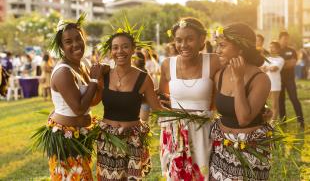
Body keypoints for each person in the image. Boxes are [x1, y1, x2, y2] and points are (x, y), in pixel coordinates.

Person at [32, 14, 107, 180]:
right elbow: (79, 108)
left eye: (78, 38)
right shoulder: (63, 72)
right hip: (65, 139)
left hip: (81, 136)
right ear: (61, 47)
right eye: (68, 41)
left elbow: (91, 101)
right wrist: (94, 79)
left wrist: (100, 81)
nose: (75, 44)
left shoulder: (83, 64)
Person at [96, 22, 164, 180]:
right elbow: (92, 102)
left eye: (125, 46)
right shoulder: (104, 75)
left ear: (133, 49)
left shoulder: (143, 78)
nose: (120, 51)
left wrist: (183, 109)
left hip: (133, 140)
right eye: (115, 47)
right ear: (111, 51)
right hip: (108, 139)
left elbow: (157, 109)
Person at [159, 17, 220, 180]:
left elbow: (228, 90)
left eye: (189, 39)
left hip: (203, 131)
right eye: (178, 40)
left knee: (203, 175)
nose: (183, 45)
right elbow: (162, 100)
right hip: (176, 133)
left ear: (202, 40)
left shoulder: (213, 61)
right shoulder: (167, 64)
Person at [210, 23, 272, 180]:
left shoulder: (260, 79)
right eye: (217, 45)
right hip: (221, 150)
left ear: (240, 49)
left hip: (249, 152)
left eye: (222, 45)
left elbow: (243, 119)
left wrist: (238, 80)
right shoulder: (220, 74)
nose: (217, 50)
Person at [278, 31, 304, 129]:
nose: (286, 41)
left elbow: (293, 63)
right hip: (279, 80)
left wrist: (280, 63)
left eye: (287, 39)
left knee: (294, 99)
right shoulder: (276, 50)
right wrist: (284, 63)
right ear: (279, 39)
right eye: (284, 39)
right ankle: (283, 123)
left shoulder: (292, 51)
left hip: (290, 80)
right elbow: (274, 64)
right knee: (281, 101)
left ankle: (301, 122)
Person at [261, 41, 285, 123]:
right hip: (266, 84)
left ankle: (273, 124)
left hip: (275, 84)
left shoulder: (280, 59)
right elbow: (262, 68)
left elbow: (275, 68)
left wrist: (267, 68)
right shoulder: (267, 59)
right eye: (270, 47)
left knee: (274, 104)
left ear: (278, 49)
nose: (271, 49)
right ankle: (265, 120)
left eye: (273, 47)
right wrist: (267, 68)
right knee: (263, 103)